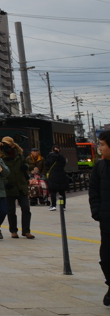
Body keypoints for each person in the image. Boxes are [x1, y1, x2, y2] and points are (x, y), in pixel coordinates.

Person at [88, 129, 110, 306]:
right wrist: (97, 211)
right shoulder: (100, 167)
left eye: (102, 144)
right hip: (106, 220)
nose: (99, 148)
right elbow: (93, 190)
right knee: (106, 257)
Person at [0, 137, 33, 239]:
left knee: (26, 208)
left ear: (13, 145)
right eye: (4, 144)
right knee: (11, 211)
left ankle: (26, 231)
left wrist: (25, 166)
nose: (6, 146)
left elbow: (26, 164)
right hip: (9, 186)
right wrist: (5, 182)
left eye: (8, 144)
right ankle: (13, 230)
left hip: (21, 185)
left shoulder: (19, 155)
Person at [46, 146, 69, 211]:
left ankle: (53, 206)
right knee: (62, 192)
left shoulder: (49, 157)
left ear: (52, 150)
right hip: (61, 175)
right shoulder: (62, 157)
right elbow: (64, 164)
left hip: (53, 175)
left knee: (53, 192)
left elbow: (47, 165)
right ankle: (62, 206)